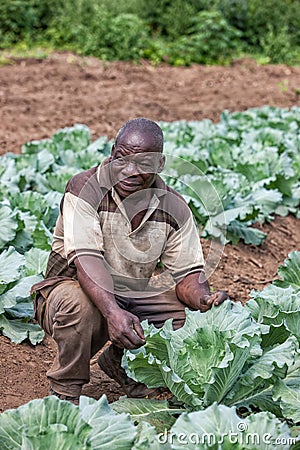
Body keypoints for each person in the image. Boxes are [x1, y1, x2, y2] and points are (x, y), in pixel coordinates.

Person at [31, 118, 227, 403]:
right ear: (113, 153)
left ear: (160, 165)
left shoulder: (174, 207)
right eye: (123, 159)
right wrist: (113, 312)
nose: (130, 171)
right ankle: (66, 390)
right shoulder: (84, 188)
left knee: (186, 321)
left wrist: (204, 300)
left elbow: (188, 274)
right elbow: (86, 260)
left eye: (144, 164)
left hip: (129, 291)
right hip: (70, 287)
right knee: (81, 306)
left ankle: (124, 366)